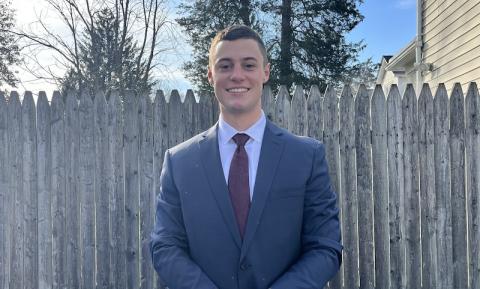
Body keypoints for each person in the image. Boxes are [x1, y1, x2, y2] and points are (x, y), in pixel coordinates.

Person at [150, 24, 342, 289]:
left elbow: (325, 247)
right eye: (225, 66)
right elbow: (164, 246)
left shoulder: (306, 156)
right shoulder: (178, 162)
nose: (237, 75)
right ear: (210, 74)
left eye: (249, 65)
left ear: (265, 72)